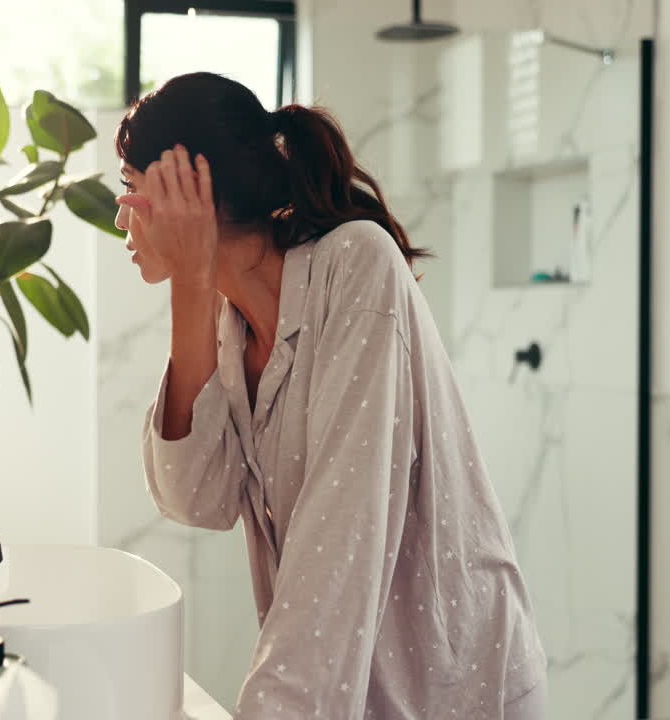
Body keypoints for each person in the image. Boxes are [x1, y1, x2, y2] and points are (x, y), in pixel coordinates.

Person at [115, 72, 547, 720]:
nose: (120, 216)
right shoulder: (228, 327)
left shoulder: (357, 268)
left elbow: (336, 560)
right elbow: (194, 497)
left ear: (196, 191)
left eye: (131, 189)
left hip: (458, 692)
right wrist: (193, 288)